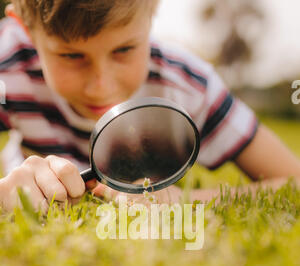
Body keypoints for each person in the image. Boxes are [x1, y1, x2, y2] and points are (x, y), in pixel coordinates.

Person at [0, 0, 299, 213]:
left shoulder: (189, 86)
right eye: (71, 56)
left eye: (124, 49)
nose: (101, 85)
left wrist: (189, 200)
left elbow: (294, 181)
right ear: (26, 29)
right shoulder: (7, 63)